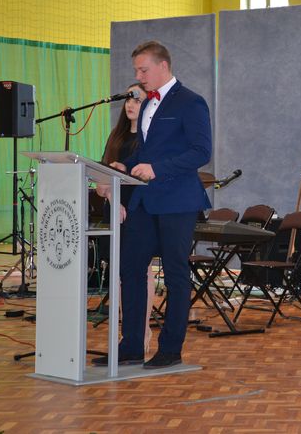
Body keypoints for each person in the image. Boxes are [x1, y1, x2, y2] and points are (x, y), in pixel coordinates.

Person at [93, 40, 212, 369]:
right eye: (136, 70)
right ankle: (130, 346)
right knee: (129, 268)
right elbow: (145, 153)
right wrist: (123, 166)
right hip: (145, 200)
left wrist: (158, 169)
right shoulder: (147, 106)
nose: (139, 76)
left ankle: (170, 349)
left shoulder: (191, 102)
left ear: (163, 66)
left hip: (177, 200)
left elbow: (202, 152)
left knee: (175, 274)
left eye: (143, 70)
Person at [95, 82, 157, 354]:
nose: (131, 104)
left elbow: (143, 178)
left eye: (138, 99)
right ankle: (127, 336)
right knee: (121, 275)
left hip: (140, 211)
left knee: (141, 272)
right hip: (116, 210)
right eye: (128, 99)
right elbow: (101, 181)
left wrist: (119, 196)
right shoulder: (116, 137)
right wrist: (111, 197)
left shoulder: (150, 139)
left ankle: (142, 332)